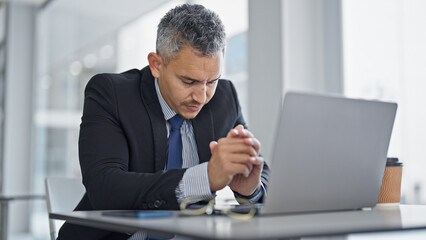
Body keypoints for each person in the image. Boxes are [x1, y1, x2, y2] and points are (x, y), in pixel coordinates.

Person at [58, 3, 269, 240]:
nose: (201, 97)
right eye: (189, 81)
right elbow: (105, 188)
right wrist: (205, 178)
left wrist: (250, 189)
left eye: (211, 81)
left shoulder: (224, 97)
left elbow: (263, 176)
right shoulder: (111, 94)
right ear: (157, 65)